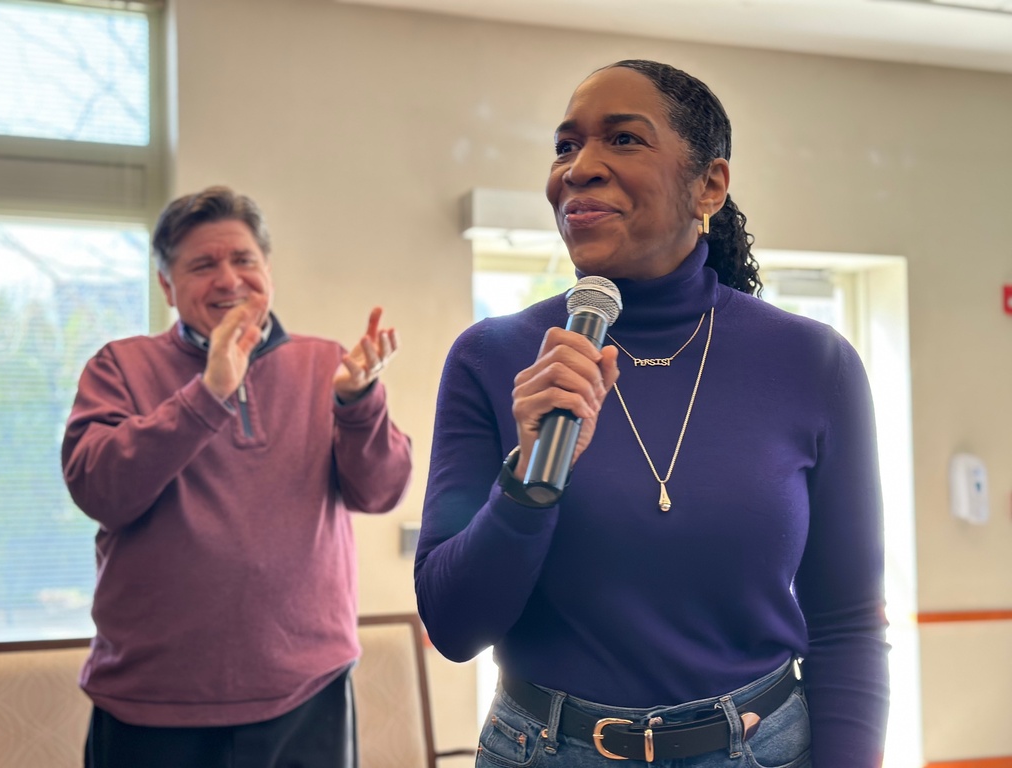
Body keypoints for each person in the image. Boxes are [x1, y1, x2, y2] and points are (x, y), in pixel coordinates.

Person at [415, 60, 888, 767]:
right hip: (545, 750)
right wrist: (529, 481)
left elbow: (847, 623)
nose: (578, 168)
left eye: (624, 139)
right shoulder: (493, 357)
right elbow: (454, 629)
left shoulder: (814, 363)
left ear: (709, 186)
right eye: (565, 146)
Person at [61, 186, 412, 768]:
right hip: (152, 706)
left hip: (309, 695)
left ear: (266, 270)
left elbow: (381, 491)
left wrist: (359, 404)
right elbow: (99, 490)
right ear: (167, 286)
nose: (229, 280)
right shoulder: (119, 366)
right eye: (203, 265)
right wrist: (209, 393)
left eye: (244, 260)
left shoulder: (327, 364)